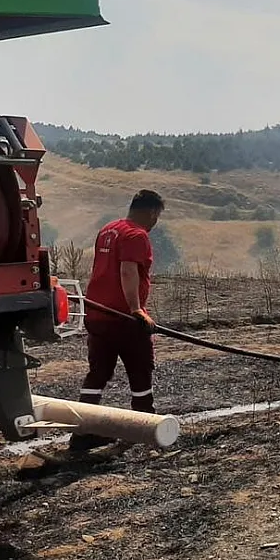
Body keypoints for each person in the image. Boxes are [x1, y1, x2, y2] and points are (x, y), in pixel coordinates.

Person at [70, 189, 164, 452]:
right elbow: (127, 270)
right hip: (123, 318)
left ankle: (82, 431)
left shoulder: (110, 229)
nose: (156, 223)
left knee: (98, 373)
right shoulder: (137, 235)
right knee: (140, 370)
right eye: (157, 216)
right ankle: (145, 424)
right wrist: (137, 310)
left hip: (97, 313)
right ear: (152, 212)